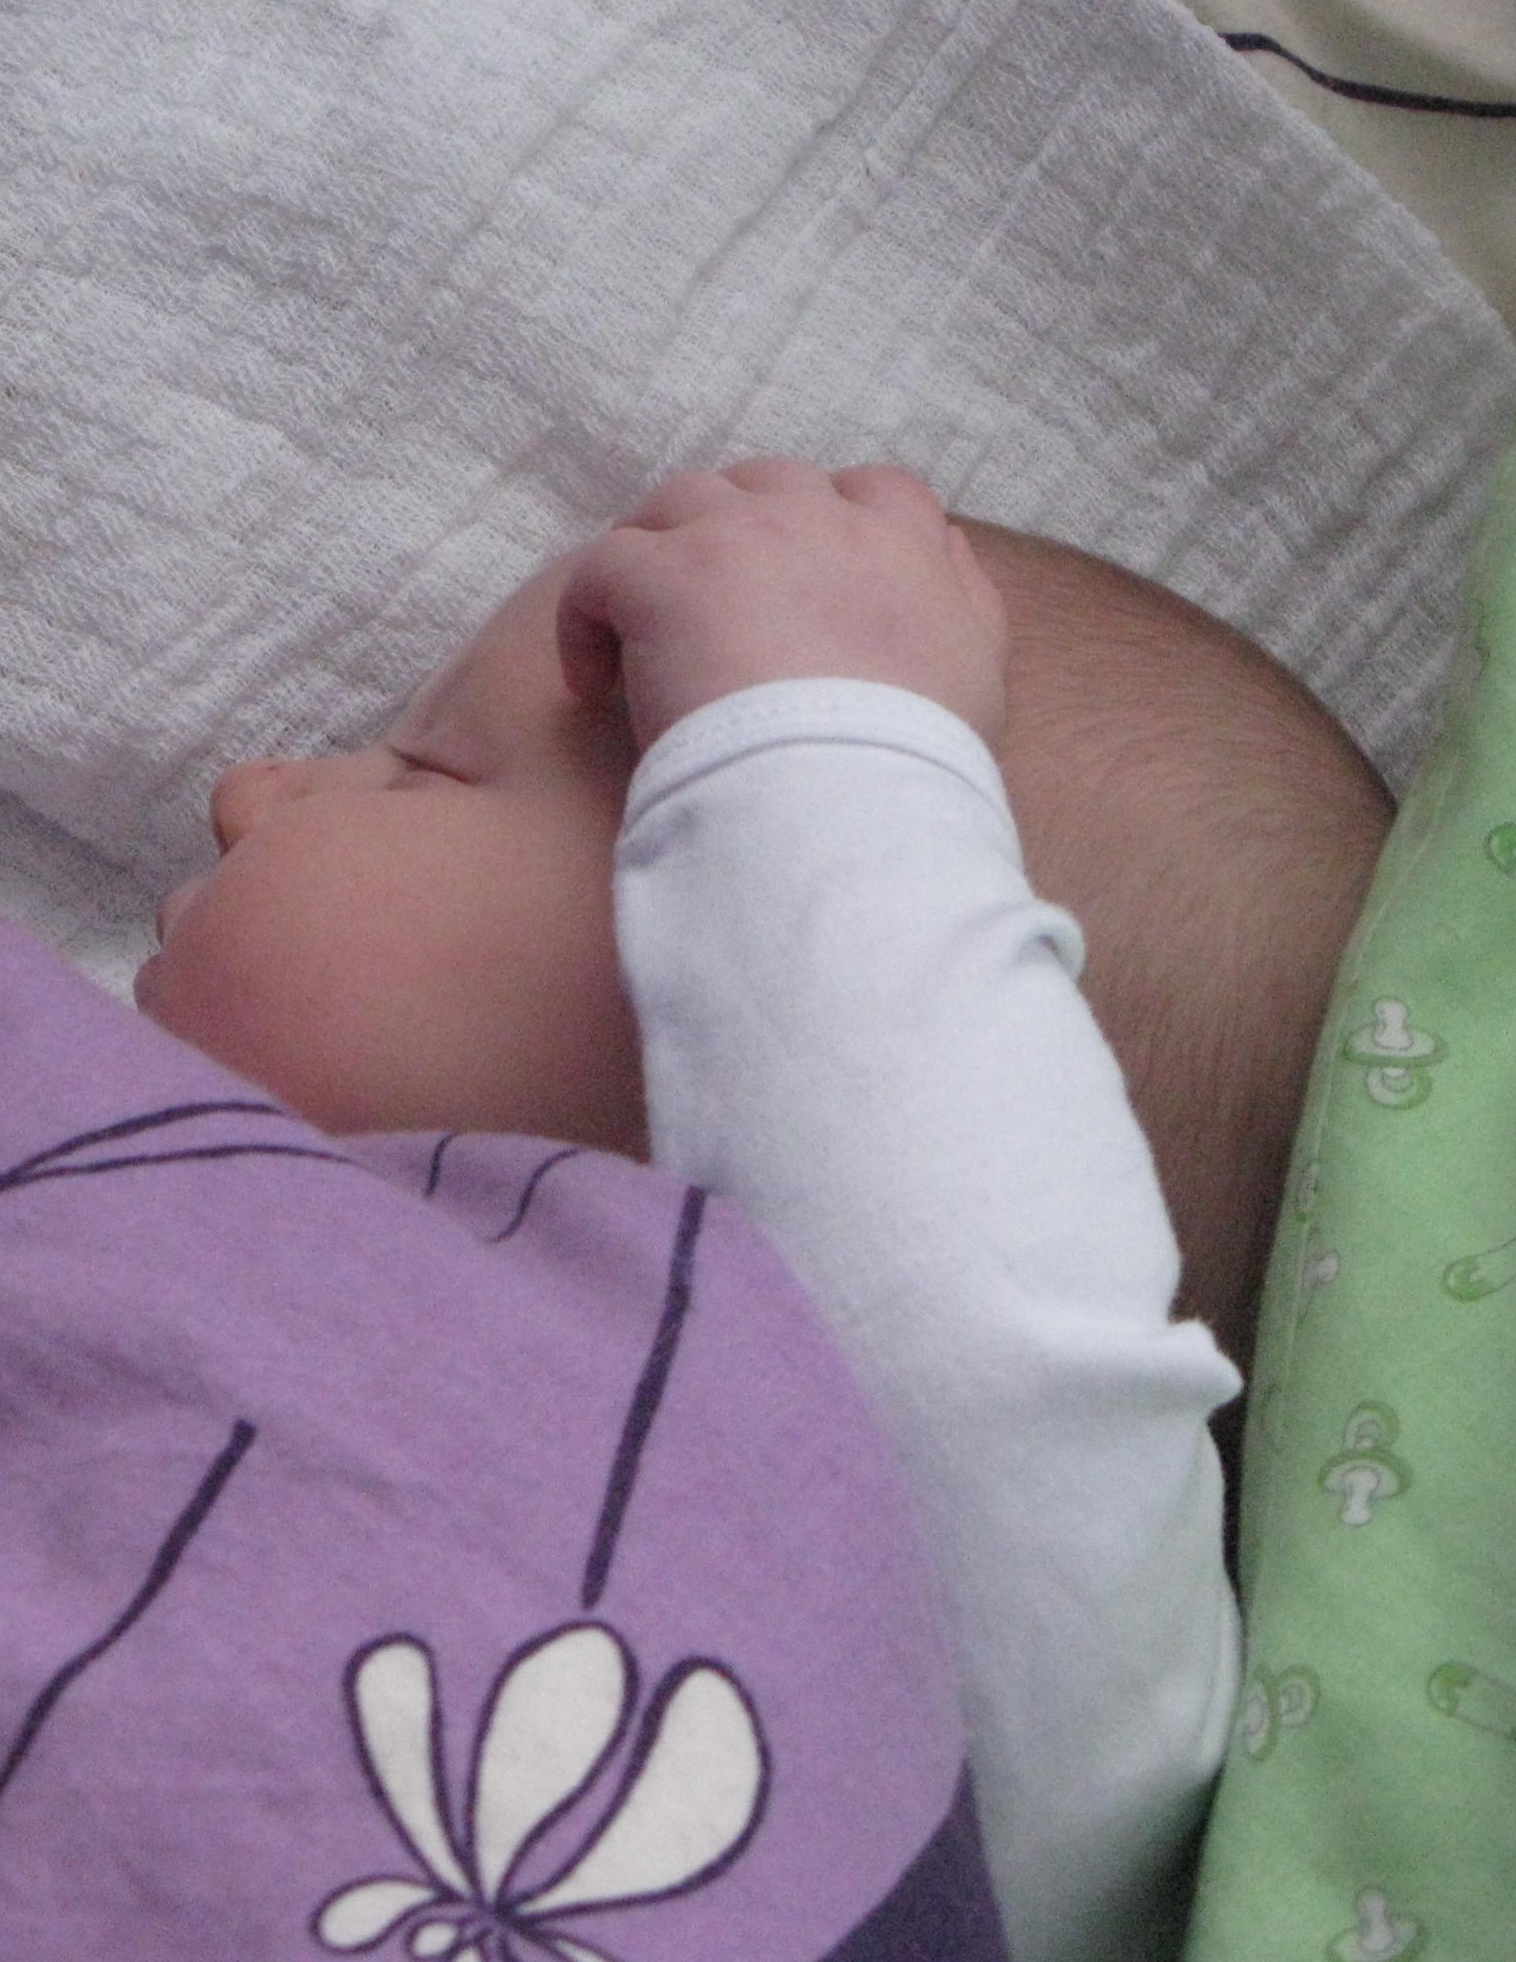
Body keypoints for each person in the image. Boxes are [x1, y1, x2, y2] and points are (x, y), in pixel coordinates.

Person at [134, 459, 1393, 1962]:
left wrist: (822, 736)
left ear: (721, 1001)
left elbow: (959, 1333)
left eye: (428, 770)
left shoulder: (944, 1710)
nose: (252, 790)